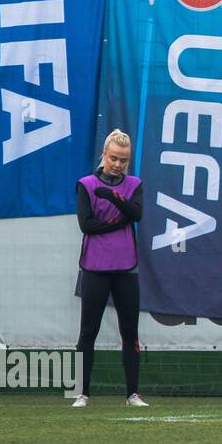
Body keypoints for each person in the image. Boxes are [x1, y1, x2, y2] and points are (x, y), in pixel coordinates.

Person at [72, 129, 147, 408]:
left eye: (123, 160)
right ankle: (82, 392)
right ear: (104, 155)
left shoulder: (135, 184)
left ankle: (132, 394)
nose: (118, 164)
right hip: (94, 266)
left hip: (126, 267)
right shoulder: (86, 184)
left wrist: (114, 197)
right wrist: (118, 222)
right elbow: (86, 225)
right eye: (114, 158)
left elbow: (137, 214)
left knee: (130, 330)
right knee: (88, 330)